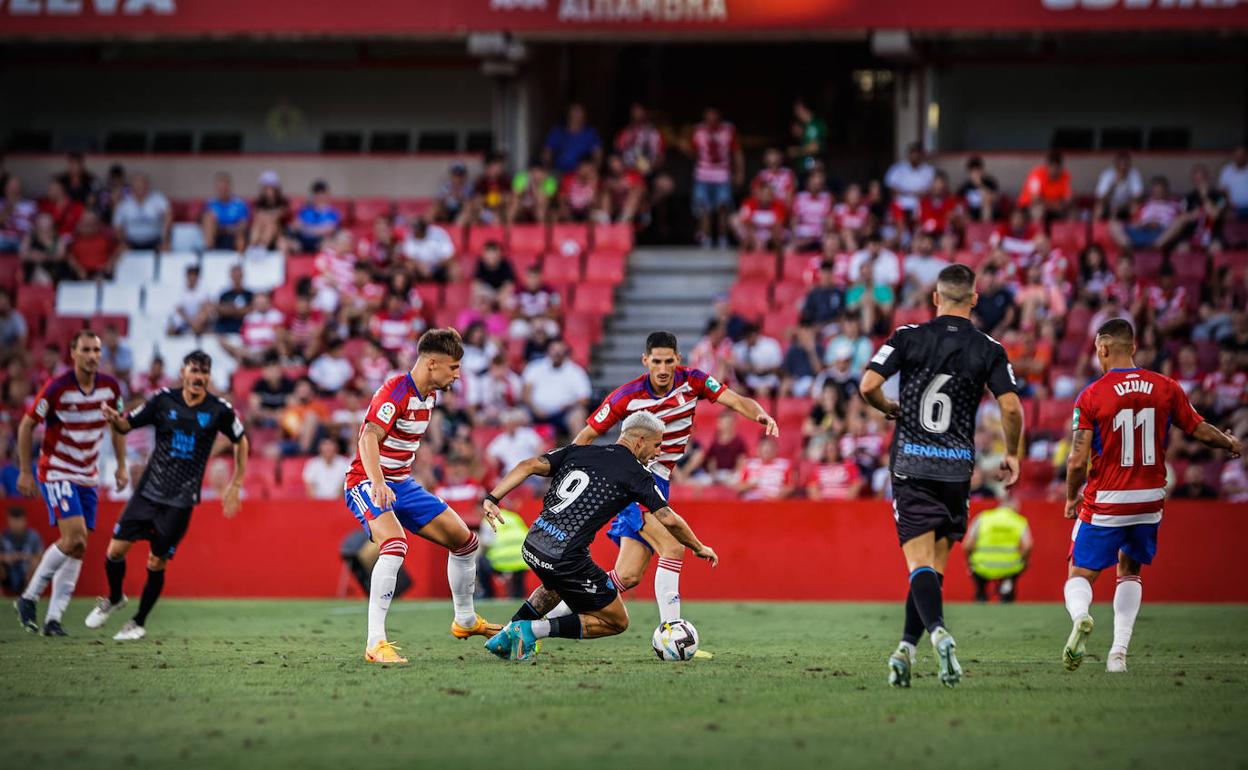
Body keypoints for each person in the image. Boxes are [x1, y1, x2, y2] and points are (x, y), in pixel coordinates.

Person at [860, 263, 1025, 688]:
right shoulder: (989, 348)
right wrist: (1013, 454)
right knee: (932, 569)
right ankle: (904, 652)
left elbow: (867, 385)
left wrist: (887, 407)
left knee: (918, 566)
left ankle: (938, 635)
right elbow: (1010, 408)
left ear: (935, 298)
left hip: (913, 463)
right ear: (974, 299)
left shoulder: (908, 337)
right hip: (956, 470)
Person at [555, 331, 776, 646]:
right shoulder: (625, 396)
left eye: (668, 361)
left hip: (660, 480)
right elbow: (587, 435)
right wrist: (568, 477)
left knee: (627, 576)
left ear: (678, 360)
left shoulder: (694, 381)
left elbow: (735, 399)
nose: (661, 368)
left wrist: (760, 415)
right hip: (633, 481)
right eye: (655, 361)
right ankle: (673, 634)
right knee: (673, 548)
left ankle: (537, 623)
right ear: (645, 361)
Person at [1061, 319, 1242, 674]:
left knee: (1078, 575)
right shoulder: (1166, 386)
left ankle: (1082, 617)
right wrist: (1230, 442)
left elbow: (1077, 459)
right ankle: (1118, 656)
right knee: (1130, 571)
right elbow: (1199, 430)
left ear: (1102, 348)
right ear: (1134, 346)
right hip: (1149, 498)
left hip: (1108, 498)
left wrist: (1071, 497)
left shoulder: (1092, 394)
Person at [480, 411, 719, 661]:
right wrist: (698, 546)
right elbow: (668, 518)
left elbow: (527, 465)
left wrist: (492, 498)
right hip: (566, 557)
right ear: (639, 441)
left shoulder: (580, 450)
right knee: (617, 621)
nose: (658, 452)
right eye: (657, 444)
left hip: (533, 545)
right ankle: (531, 629)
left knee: (555, 588)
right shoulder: (636, 473)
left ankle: (506, 636)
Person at [341, 329, 503, 664]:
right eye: (453, 368)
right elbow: (368, 438)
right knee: (395, 544)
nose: (457, 375)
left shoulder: (430, 395)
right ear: (432, 364)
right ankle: (375, 643)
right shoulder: (395, 391)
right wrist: (377, 482)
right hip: (366, 481)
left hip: (402, 483)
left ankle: (466, 620)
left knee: (465, 541)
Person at [87, 351, 247, 640]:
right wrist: (114, 419)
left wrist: (235, 483)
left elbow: (241, 440)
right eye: (194, 370)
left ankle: (137, 622)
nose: (199, 376)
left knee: (156, 562)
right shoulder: (163, 400)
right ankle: (114, 597)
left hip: (180, 502)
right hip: (147, 493)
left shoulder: (219, 409)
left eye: (204, 371)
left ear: (208, 377)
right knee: (114, 552)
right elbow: (126, 425)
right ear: (183, 372)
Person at [15, 331, 128, 636]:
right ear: (73, 353)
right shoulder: (57, 388)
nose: (93, 355)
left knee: (78, 548)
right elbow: (27, 426)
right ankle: (28, 597)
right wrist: (25, 471)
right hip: (57, 469)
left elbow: (118, 426)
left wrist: (120, 465)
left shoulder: (110, 387)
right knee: (75, 538)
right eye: (86, 350)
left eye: (97, 350)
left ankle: (53, 620)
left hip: (87, 475)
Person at [690, 107, 744, 248]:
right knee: (704, 208)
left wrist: (739, 173)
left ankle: (722, 239)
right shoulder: (698, 131)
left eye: (714, 119)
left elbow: (737, 152)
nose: (711, 122)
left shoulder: (728, 130)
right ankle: (706, 240)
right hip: (702, 175)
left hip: (722, 176)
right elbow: (693, 152)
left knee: (723, 208)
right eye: (708, 119)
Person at [964, 501, 1032, 602]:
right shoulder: (1019, 521)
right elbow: (1028, 546)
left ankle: (981, 595)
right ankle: (1007, 591)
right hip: (1010, 567)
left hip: (982, 566)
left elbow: (967, 545)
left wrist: (969, 562)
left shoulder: (982, 518)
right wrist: (1024, 561)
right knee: (1017, 569)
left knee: (978, 581)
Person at [111, 173, 170, 251]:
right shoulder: (124, 203)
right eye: (137, 187)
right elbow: (117, 226)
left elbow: (168, 217)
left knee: (167, 249)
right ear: (131, 188)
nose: (140, 190)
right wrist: (123, 242)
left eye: (143, 187)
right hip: (131, 242)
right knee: (120, 251)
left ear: (148, 187)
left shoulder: (158, 199)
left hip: (155, 240)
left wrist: (164, 239)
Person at [542, 103, 602, 177]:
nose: (577, 116)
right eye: (574, 113)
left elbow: (598, 155)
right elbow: (547, 153)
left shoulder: (590, 133)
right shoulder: (558, 132)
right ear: (568, 115)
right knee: (547, 185)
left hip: (581, 174)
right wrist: (547, 169)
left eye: (580, 114)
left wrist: (593, 169)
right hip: (558, 172)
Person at [201, 172, 249, 252]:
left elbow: (243, 225)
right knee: (208, 218)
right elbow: (204, 223)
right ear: (216, 189)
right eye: (220, 188)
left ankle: (239, 260)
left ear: (230, 188)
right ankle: (208, 251)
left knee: (241, 235)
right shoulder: (211, 204)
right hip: (216, 236)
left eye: (225, 188)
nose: (223, 191)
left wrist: (226, 229)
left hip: (233, 236)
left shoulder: (239, 204)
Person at [2, 508, 43, 595]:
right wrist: (5, 557)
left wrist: (25, 557)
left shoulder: (33, 536)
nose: (16, 525)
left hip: (26, 571)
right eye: (13, 521)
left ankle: (29, 596)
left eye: (18, 521)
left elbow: (41, 556)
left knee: (35, 563)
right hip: (8, 571)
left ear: (24, 521)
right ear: (8, 521)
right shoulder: (3, 536)